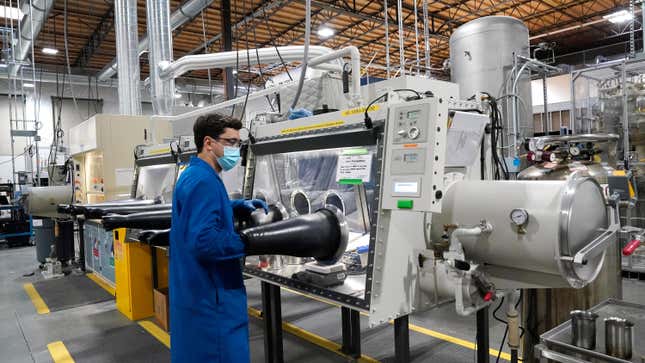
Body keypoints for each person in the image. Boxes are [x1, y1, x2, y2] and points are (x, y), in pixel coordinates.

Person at [170, 113, 268, 362]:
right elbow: (205, 242)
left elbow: (200, 214)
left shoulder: (193, 174)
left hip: (194, 292)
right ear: (209, 143)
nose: (236, 149)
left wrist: (234, 206)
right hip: (212, 300)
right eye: (231, 142)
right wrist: (249, 240)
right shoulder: (204, 181)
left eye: (238, 143)